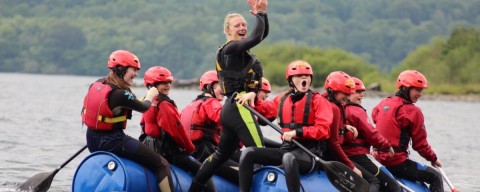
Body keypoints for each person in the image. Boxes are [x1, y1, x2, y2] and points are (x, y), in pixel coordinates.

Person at [189, 0, 269, 190]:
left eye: (244, 25)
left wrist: (263, 16)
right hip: (240, 107)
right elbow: (256, 37)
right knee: (259, 152)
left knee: (220, 155)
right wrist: (259, 14)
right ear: (228, 31)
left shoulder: (240, 51)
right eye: (237, 25)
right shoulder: (230, 49)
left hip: (230, 108)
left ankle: (195, 188)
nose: (242, 28)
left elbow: (261, 34)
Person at [81, 50, 174, 191]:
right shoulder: (120, 93)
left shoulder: (98, 83)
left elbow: (131, 102)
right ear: (121, 69)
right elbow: (143, 107)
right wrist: (151, 94)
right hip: (113, 141)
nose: (136, 74)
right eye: (134, 70)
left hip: (92, 140)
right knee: (161, 164)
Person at [237, 60, 333, 192]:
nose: (304, 78)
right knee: (248, 153)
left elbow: (323, 130)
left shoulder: (319, 101)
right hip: (286, 149)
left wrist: (297, 132)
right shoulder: (283, 99)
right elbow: (265, 108)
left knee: (289, 158)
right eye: (299, 76)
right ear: (291, 80)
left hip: (310, 153)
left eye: (307, 76)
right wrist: (253, 95)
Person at [372, 70, 444, 192]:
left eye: (421, 90)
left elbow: (375, 118)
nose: (420, 94)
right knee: (436, 176)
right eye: (417, 90)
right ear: (405, 88)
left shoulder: (384, 103)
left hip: (378, 157)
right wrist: (433, 158)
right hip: (396, 162)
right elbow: (420, 145)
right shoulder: (413, 111)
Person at [321, 71, 381, 192]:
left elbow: (331, 126)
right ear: (333, 91)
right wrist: (351, 166)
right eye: (345, 93)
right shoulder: (335, 108)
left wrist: (345, 126)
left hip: (325, 153)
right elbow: (334, 143)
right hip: (332, 156)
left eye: (349, 94)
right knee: (374, 181)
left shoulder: (323, 102)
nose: (348, 97)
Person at [343, 77, 401, 192]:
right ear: (347, 93)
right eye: (358, 92)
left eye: (362, 92)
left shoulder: (339, 109)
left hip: (345, 155)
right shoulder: (356, 111)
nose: (362, 95)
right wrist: (387, 145)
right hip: (358, 156)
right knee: (393, 186)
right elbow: (371, 133)